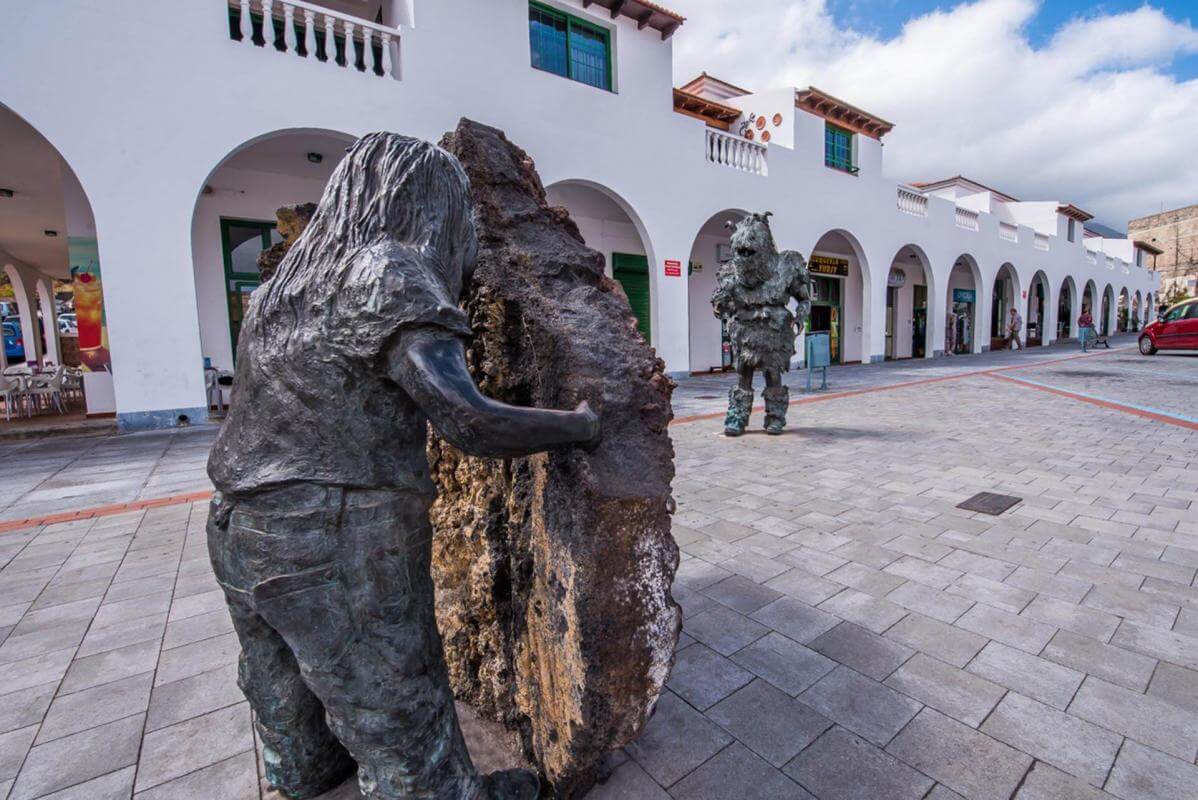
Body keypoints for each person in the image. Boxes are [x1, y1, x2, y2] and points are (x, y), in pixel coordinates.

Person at [207, 133, 599, 800]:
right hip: (331, 527)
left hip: (234, 521)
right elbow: (470, 418)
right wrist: (578, 426)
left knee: (280, 680)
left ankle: (302, 766)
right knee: (395, 694)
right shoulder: (386, 273)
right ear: (429, 209)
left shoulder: (282, 285)